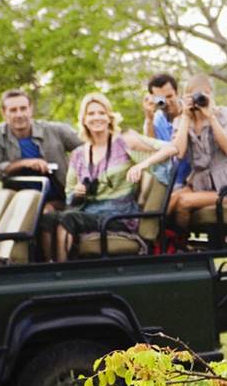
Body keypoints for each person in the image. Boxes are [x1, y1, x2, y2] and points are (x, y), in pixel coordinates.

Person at [52, 93, 177, 262]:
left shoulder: (124, 142)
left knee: (68, 219)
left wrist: (142, 164)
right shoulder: (78, 155)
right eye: (91, 113)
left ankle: (61, 274)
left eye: (101, 113)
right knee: (47, 219)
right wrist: (78, 192)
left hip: (118, 216)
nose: (97, 117)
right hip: (88, 212)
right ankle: (45, 268)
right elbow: (70, 197)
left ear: (109, 117)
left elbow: (171, 148)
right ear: (84, 119)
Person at [0, 89, 83, 259]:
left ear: (31, 109)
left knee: (46, 213)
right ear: (3, 113)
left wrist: (79, 171)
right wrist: (23, 163)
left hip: (57, 199)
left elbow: (91, 146)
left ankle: (50, 267)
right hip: (19, 204)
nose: (19, 114)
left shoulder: (54, 130)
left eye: (23, 108)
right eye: (13, 110)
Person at [166, 74, 227, 235]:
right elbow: (179, 153)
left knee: (183, 201)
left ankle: (180, 246)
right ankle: (158, 244)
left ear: (211, 94)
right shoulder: (182, 120)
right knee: (170, 201)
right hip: (199, 185)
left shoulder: (223, 115)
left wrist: (210, 117)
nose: (200, 98)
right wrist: (185, 117)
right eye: (195, 95)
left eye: (204, 94)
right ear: (186, 97)